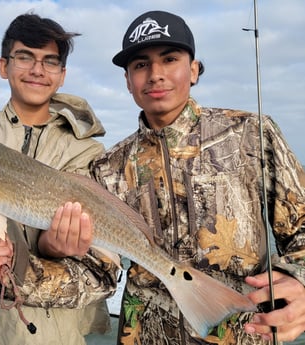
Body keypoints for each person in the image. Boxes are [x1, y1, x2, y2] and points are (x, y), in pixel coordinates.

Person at [90, 10, 305, 345]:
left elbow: (301, 231)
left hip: (246, 331)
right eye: (140, 64)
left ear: (193, 70)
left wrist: (300, 282)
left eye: (170, 58)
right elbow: (98, 268)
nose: (155, 74)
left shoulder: (251, 133)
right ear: (128, 80)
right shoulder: (106, 167)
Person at [0, 13, 118, 345]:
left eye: (50, 61)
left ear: (62, 75)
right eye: (25, 57)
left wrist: (52, 246)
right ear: (3, 66)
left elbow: (102, 260)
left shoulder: (89, 151)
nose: (37, 70)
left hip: (54, 333)